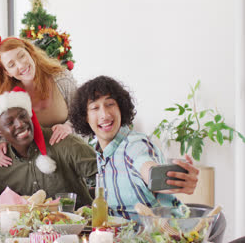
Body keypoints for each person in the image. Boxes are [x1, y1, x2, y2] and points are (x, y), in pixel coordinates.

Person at [68, 75, 199, 220]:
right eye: (95, 108)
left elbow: (147, 167)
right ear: (85, 117)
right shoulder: (100, 150)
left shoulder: (134, 145)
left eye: (110, 104)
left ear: (121, 109)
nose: (104, 115)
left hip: (161, 234)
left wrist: (174, 180)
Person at [0, 87, 98, 208]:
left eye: (23, 116)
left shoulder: (64, 142)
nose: (20, 124)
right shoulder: (1, 164)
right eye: (10, 123)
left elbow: (105, 176)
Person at [0, 35, 77, 166]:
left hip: (70, 157)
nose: (21, 65)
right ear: (7, 72)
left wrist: (69, 127)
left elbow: (83, 117)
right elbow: (7, 128)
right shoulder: (9, 96)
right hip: (34, 165)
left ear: (30, 52)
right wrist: (2, 143)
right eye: (11, 64)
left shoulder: (61, 79)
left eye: (21, 56)